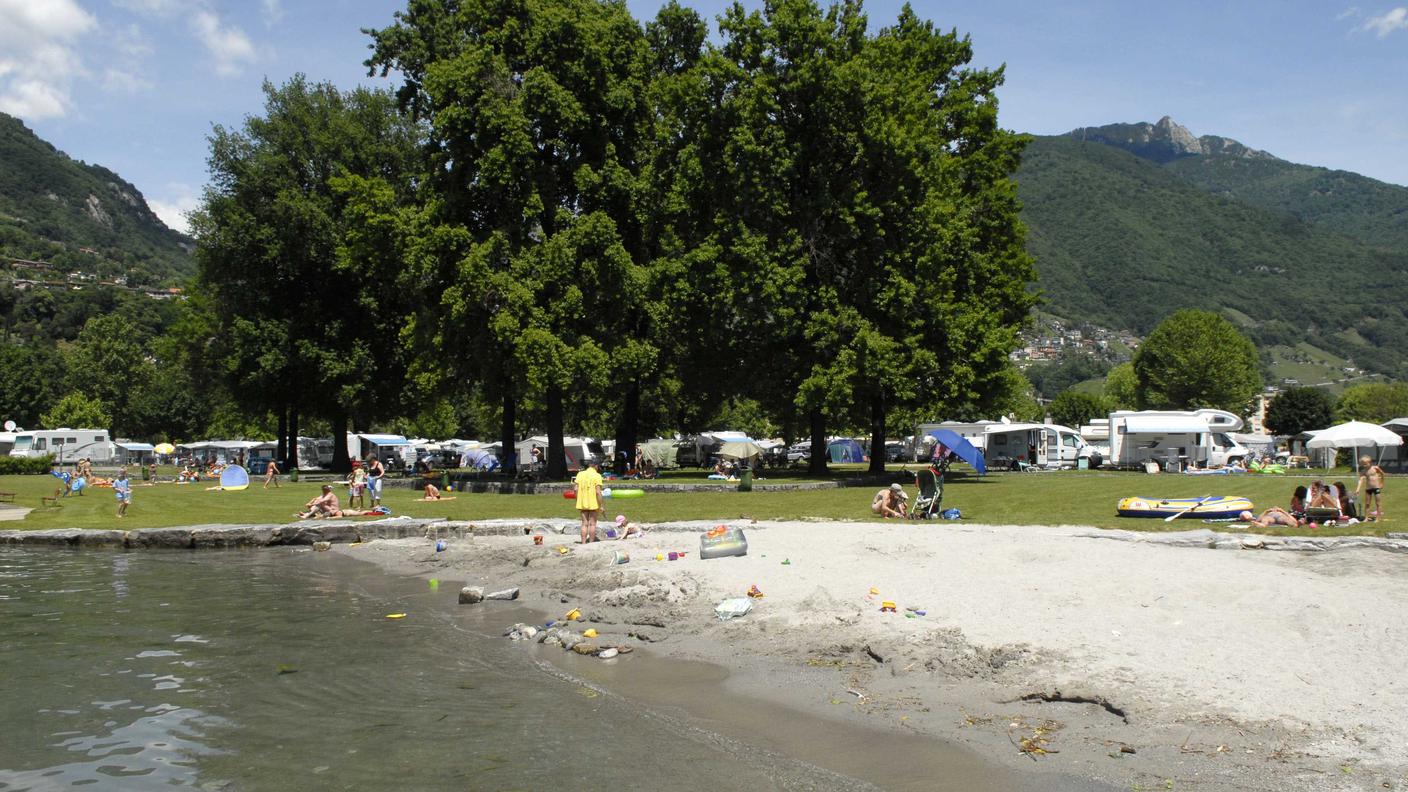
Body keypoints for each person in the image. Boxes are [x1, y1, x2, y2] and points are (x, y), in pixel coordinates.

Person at [574, 457, 604, 543]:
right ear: (596, 466)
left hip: (583, 502)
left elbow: (575, 489)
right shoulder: (597, 476)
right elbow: (598, 492)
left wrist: (577, 500)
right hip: (593, 503)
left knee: (584, 524)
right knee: (592, 524)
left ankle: (583, 542)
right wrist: (601, 505)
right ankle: (591, 543)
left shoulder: (580, 474)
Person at [1357, 456, 1386, 521]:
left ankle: (1378, 518)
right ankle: (1366, 517)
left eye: (1365, 464)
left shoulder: (1375, 468)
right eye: (1362, 464)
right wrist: (1358, 489)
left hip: (1376, 487)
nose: (1364, 465)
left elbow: (1382, 474)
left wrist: (1382, 483)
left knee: (1378, 503)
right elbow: (1361, 480)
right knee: (1367, 504)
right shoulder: (1363, 471)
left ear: (1370, 463)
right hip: (1368, 488)